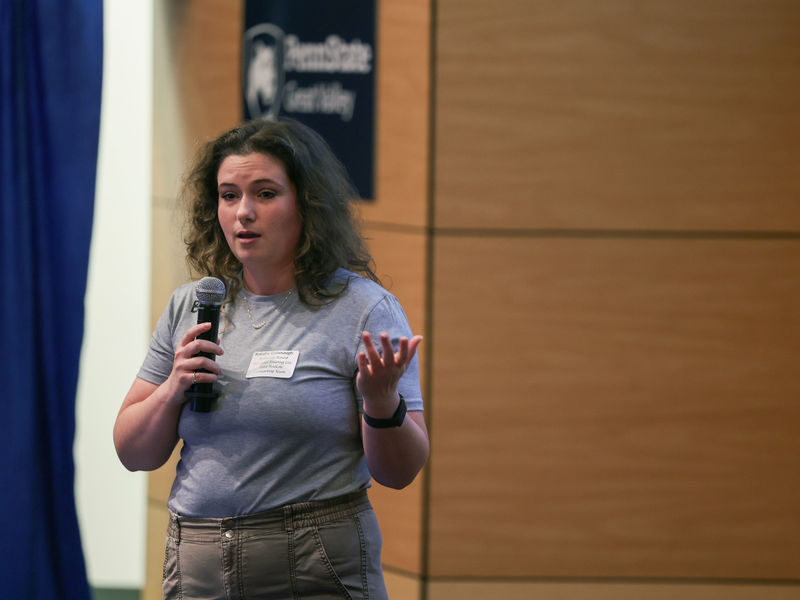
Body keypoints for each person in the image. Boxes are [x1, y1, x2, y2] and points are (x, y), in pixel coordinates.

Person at [113, 118, 429, 600]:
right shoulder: (194, 304)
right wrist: (174, 387)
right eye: (228, 195)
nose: (243, 213)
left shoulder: (363, 309)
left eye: (264, 194)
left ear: (306, 203)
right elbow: (133, 452)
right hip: (197, 565)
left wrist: (382, 403)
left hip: (313, 563)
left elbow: (400, 472)